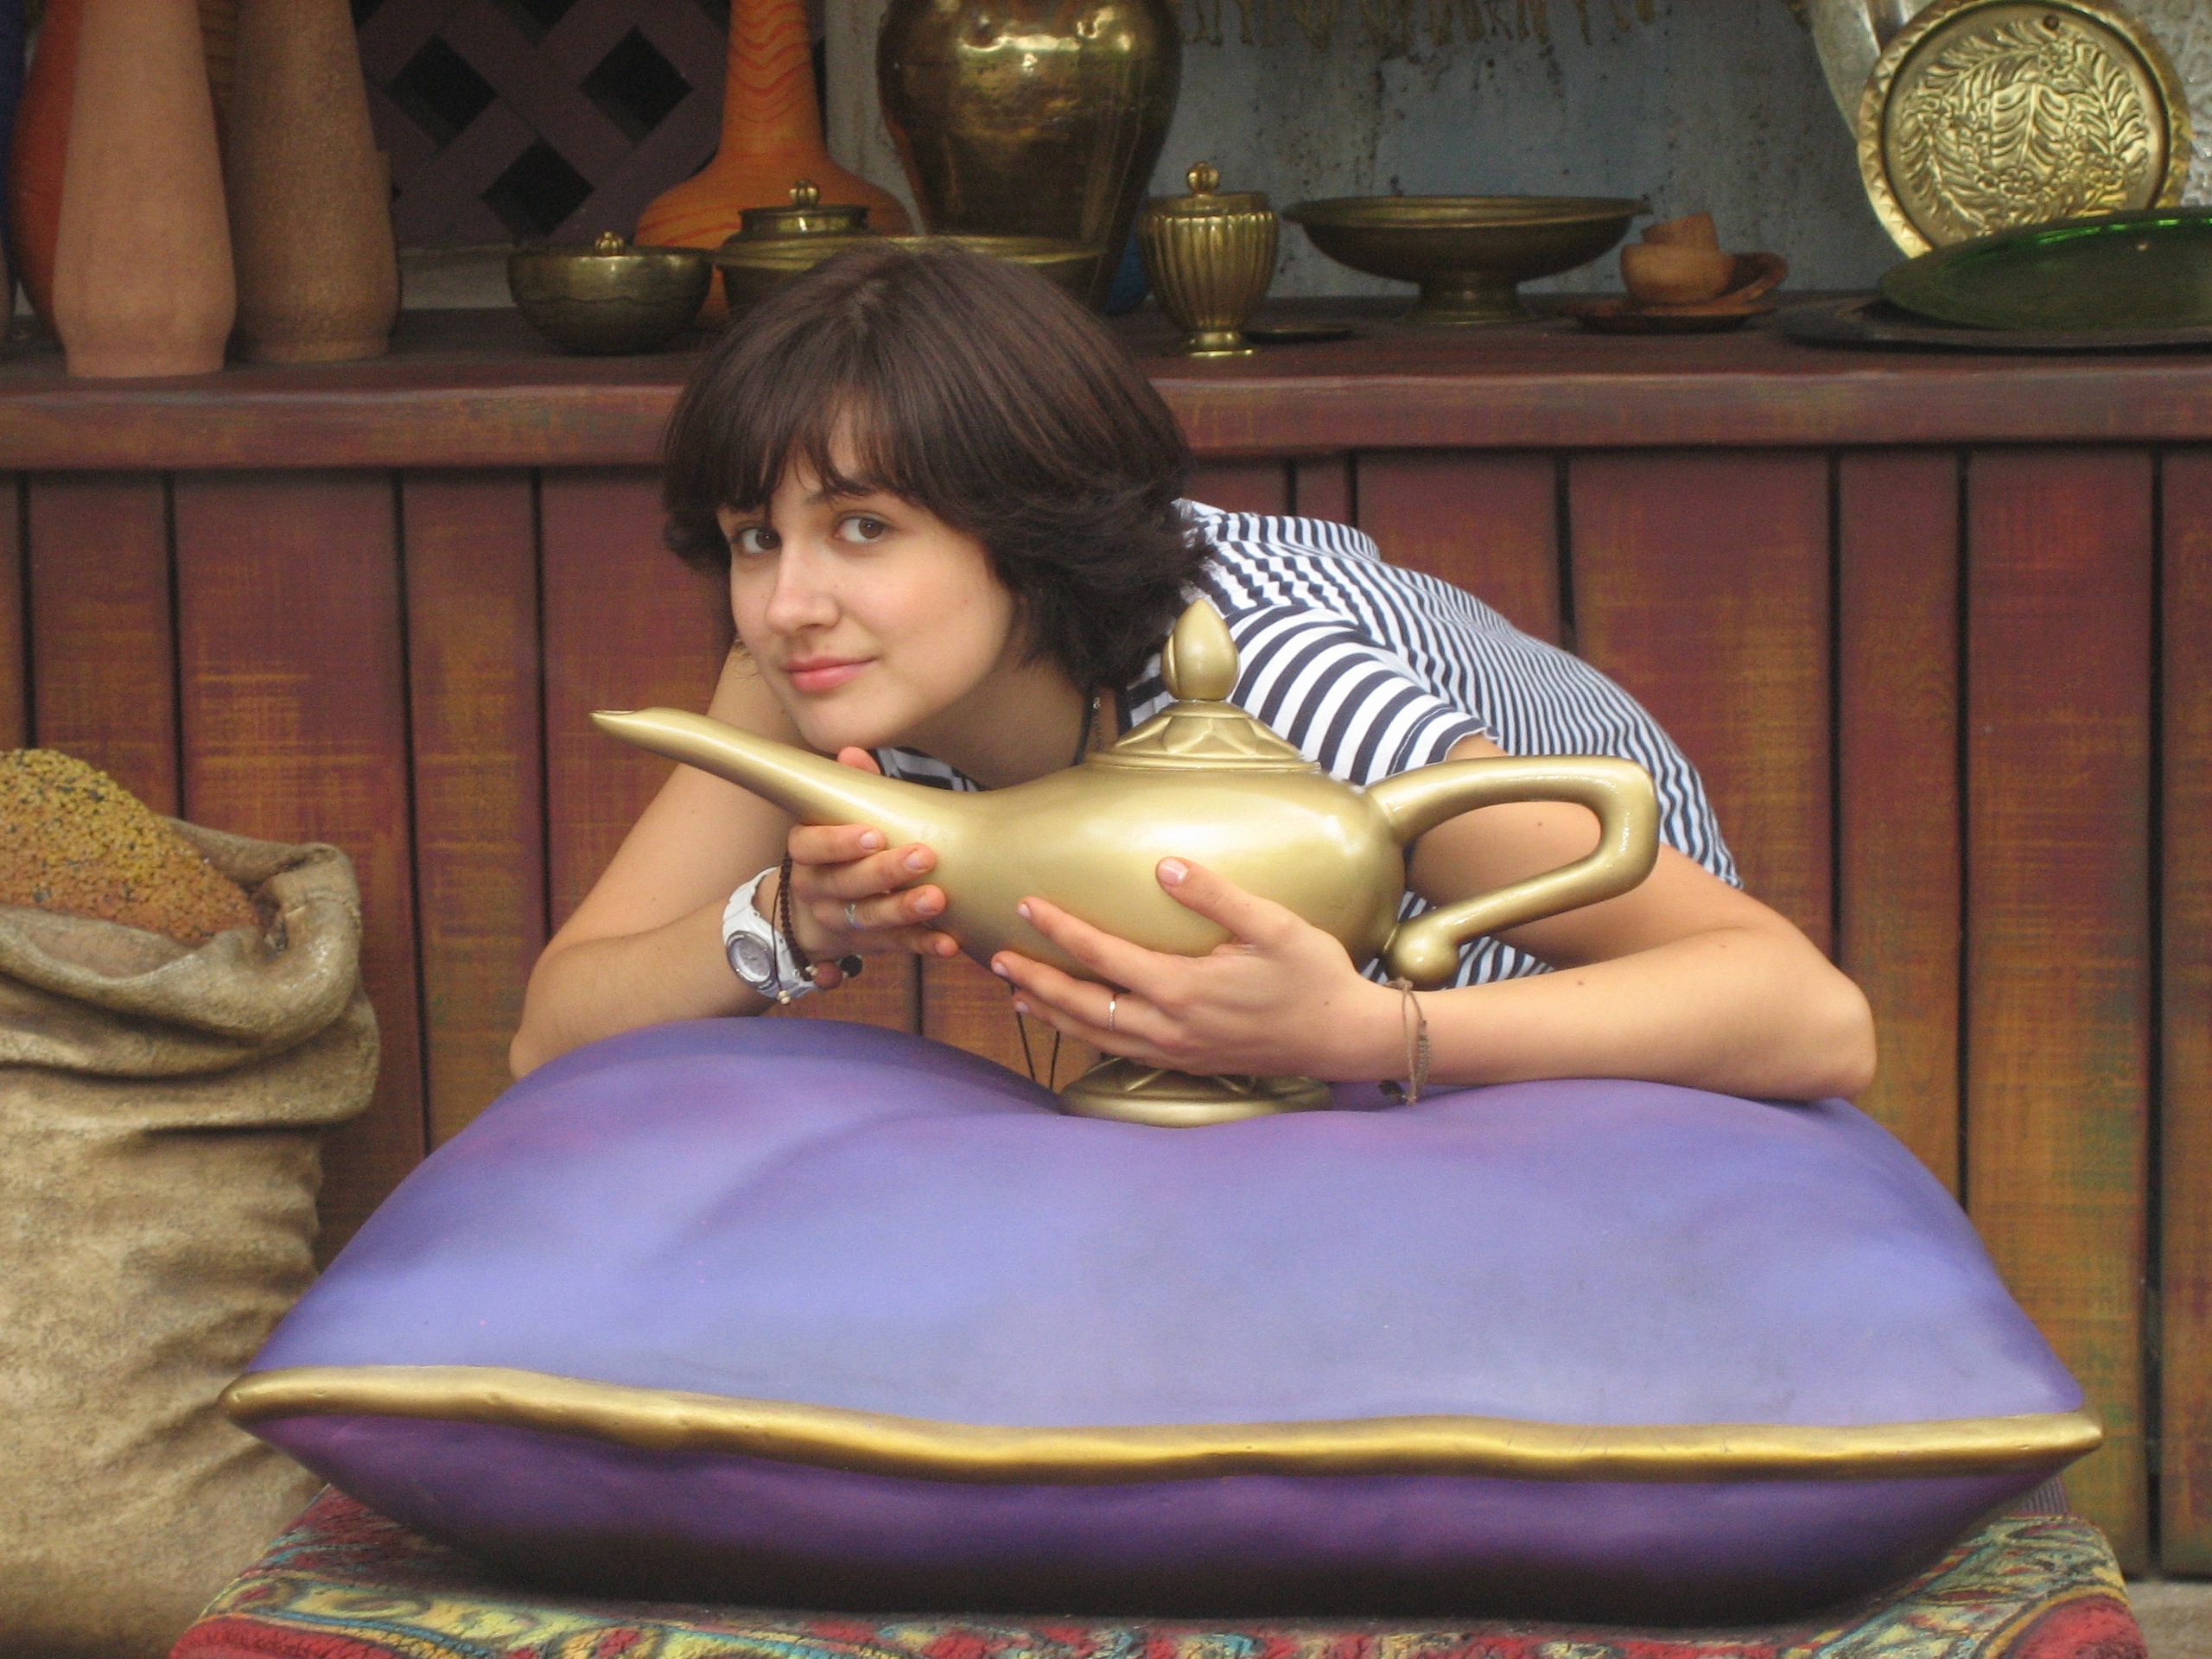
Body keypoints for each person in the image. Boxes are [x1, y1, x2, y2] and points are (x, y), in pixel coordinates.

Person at [511, 244, 1874, 1103]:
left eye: (863, 527)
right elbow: (551, 1036)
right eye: (754, 536)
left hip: (1560, 1057)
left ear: (1026, 527)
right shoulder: (811, 665)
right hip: (1263, 1086)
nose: (790, 601)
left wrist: (1371, 1033)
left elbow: (1809, 1017)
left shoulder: (1281, 688)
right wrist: (785, 922)